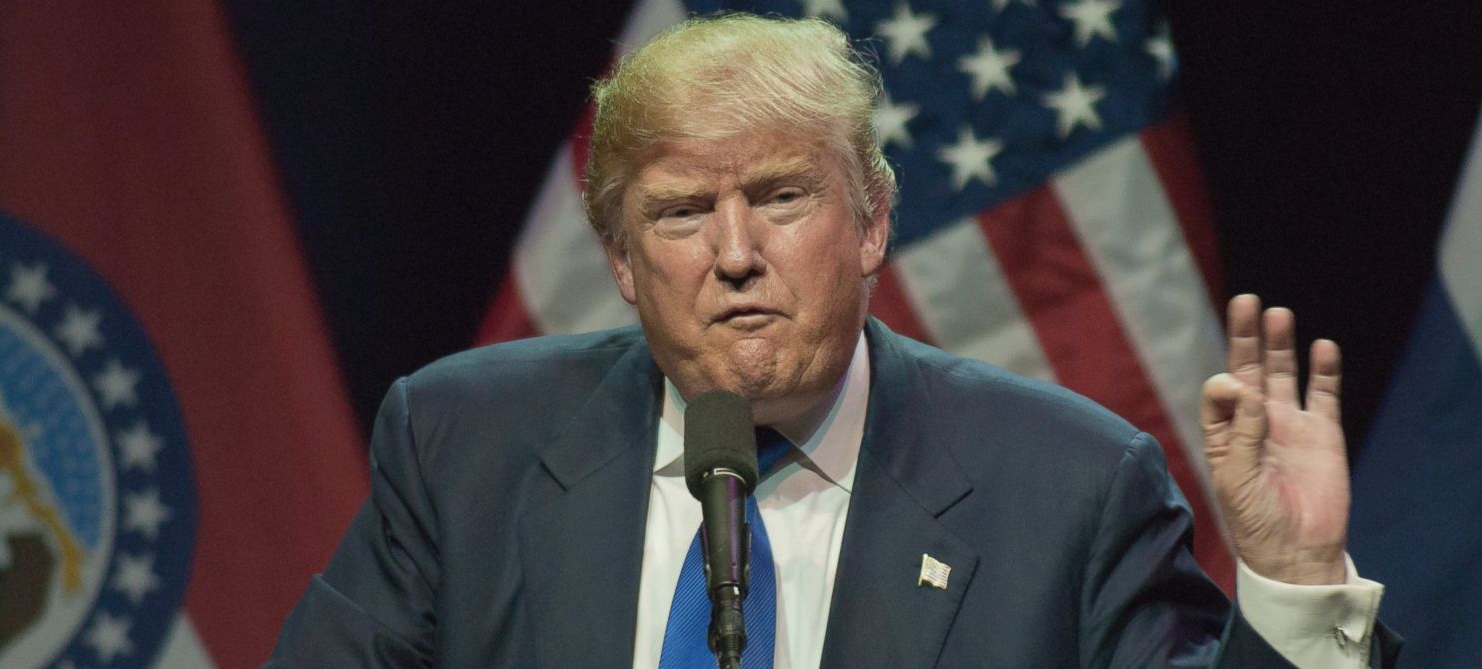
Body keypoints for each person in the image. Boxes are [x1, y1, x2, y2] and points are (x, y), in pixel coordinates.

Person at [269, 14, 1397, 668]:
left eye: (780, 197)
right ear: (620, 261)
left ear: (870, 225)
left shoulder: (1064, 489)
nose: (734, 253)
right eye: (677, 214)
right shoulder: (465, 445)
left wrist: (1296, 587)